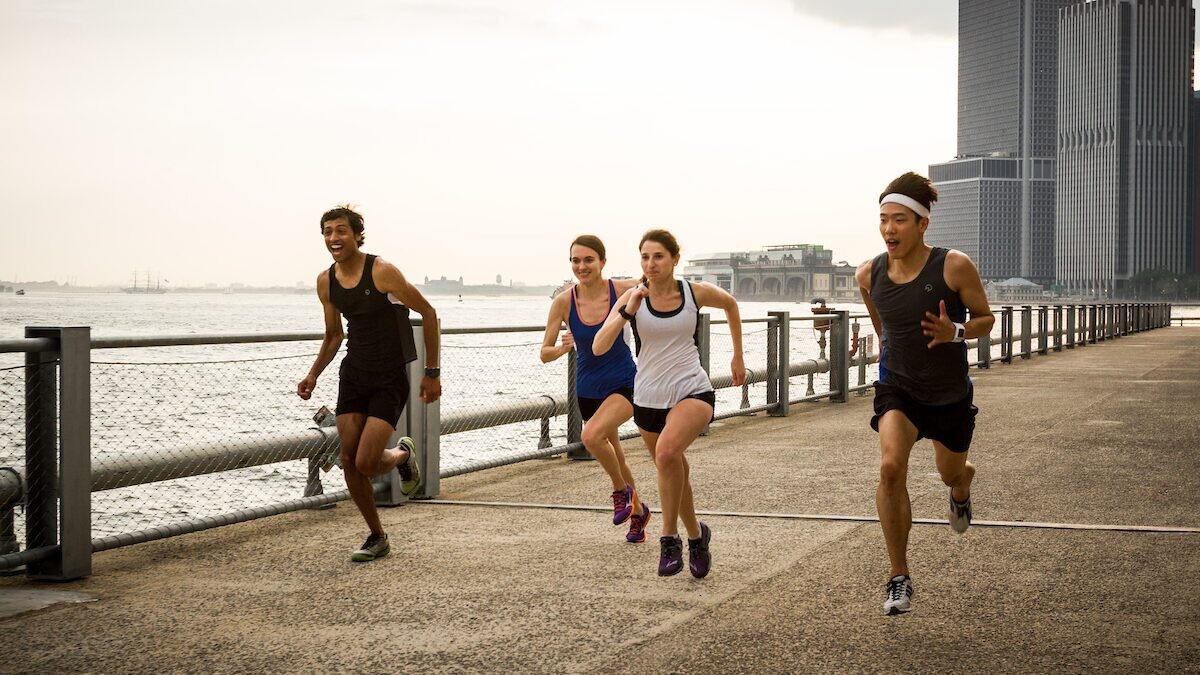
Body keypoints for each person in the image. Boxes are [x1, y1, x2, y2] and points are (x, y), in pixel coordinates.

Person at [855, 173, 995, 615]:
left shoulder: (953, 266)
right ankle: (899, 576)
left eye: (899, 220)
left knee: (949, 473)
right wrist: (888, 344)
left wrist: (955, 332)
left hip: (949, 393)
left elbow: (986, 318)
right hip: (898, 387)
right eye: (883, 220)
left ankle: (962, 485)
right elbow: (880, 317)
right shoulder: (869, 273)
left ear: (922, 224)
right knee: (890, 467)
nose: (889, 229)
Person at [594, 229, 745, 578]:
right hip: (648, 398)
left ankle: (668, 539)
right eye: (645, 257)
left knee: (665, 454)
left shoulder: (694, 293)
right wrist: (627, 312)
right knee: (673, 468)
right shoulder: (633, 297)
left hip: (692, 390)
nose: (651, 263)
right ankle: (697, 535)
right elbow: (599, 346)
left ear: (675, 259)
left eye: (658, 256)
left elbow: (731, 305)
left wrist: (737, 355)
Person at [297, 205, 442, 563]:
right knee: (348, 459)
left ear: (357, 235)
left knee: (365, 461)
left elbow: (428, 313)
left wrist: (432, 372)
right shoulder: (325, 281)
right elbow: (334, 335)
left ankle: (402, 454)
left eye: (341, 231)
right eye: (328, 232)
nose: (334, 238)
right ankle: (377, 535)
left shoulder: (382, 271)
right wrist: (313, 374)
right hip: (354, 375)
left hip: (389, 377)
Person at [540, 236, 651, 542]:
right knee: (616, 455)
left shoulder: (620, 289)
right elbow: (544, 353)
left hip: (624, 382)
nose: (582, 266)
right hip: (588, 389)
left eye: (589, 260)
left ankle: (620, 491)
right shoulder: (563, 302)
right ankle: (639, 513)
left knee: (590, 437)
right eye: (575, 260)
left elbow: (652, 280)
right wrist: (562, 348)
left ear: (603, 261)